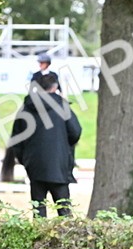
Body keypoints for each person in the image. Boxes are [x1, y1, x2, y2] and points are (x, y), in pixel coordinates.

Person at [11, 85, 81, 218]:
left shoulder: (26, 109)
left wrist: (25, 160)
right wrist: (65, 150)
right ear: (55, 87)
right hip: (59, 166)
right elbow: (75, 132)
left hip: (35, 167)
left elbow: (16, 140)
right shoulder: (63, 107)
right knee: (64, 211)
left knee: (38, 212)